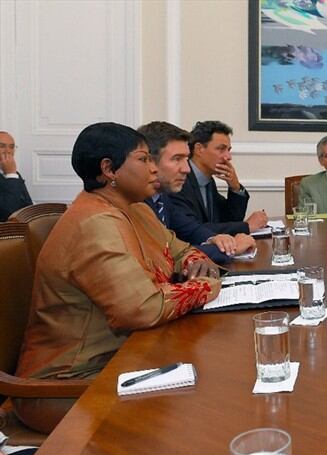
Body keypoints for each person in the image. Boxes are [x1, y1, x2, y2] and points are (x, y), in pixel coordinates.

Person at [14, 122, 222, 433]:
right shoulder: (93, 222)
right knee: (198, 411)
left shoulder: (136, 209)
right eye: (143, 159)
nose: (153, 169)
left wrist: (195, 261)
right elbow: (142, 308)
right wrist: (205, 285)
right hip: (67, 385)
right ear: (109, 169)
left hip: (124, 360)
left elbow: (179, 249)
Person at [137, 121, 255, 264]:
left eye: (186, 159)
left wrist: (214, 239)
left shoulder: (161, 196)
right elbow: (167, 255)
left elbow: (191, 228)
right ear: (150, 162)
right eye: (177, 159)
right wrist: (231, 247)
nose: (186, 169)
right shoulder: (137, 201)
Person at [169, 120, 268, 236]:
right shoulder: (179, 181)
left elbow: (230, 219)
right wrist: (247, 226)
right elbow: (192, 229)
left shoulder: (208, 181)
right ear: (199, 149)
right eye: (221, 149)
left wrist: (235, 188)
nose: (228, 157)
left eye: (228, 150)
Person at [0, 131, 33, 221]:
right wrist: (10, 174)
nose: (8, 151)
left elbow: (28, 206)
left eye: (11, 147)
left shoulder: (14, 174)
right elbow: (7, 211)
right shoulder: (12, 173)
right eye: (2, 146)